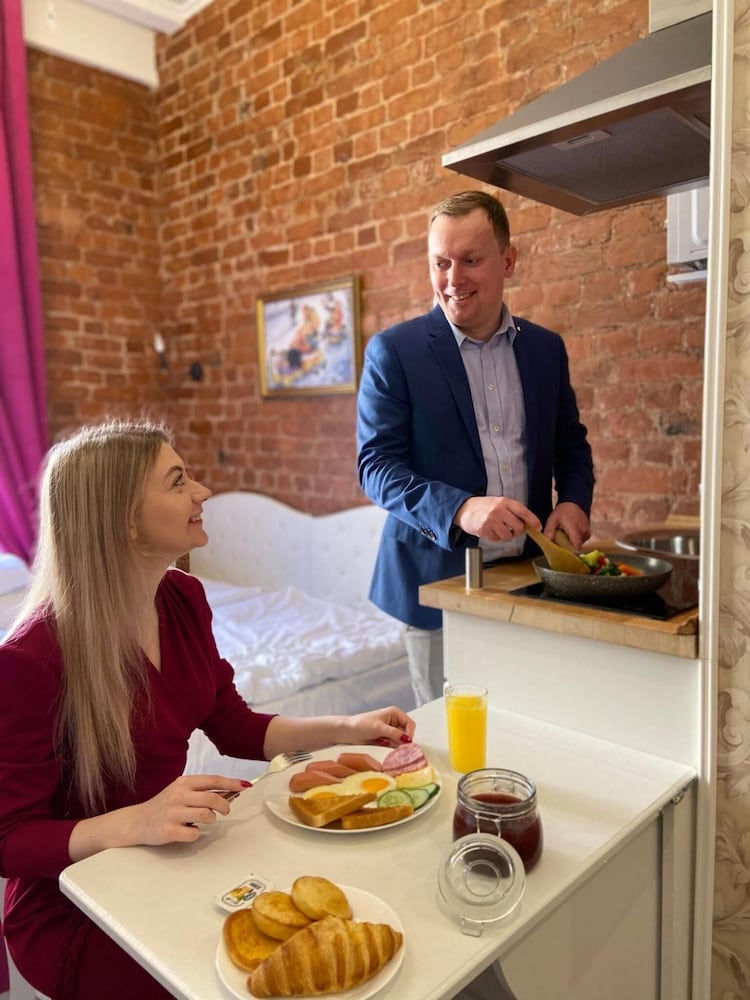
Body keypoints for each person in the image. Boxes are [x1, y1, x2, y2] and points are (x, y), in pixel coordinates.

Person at [0, 419, 416, 1000]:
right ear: (123, 520)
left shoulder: (183, 598)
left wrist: (350, 727)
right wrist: (136, 822)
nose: (203, 492)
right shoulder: (31, 660)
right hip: (78, 902)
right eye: (177, 481)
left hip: (169, 854)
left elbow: (233, 725)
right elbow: (11, 840)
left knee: (310, 936)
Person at [357, 190, 595, 706]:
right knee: (447, 736)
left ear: (508, 260)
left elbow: (570, 443)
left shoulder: (546, 349)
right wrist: (460, 508)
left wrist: (575, 500)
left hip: (529, 576)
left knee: (528, 718)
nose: (452, 279)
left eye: (470, 260)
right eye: (440, 263)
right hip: (434, 587)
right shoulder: (394, 351)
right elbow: (376, 467)